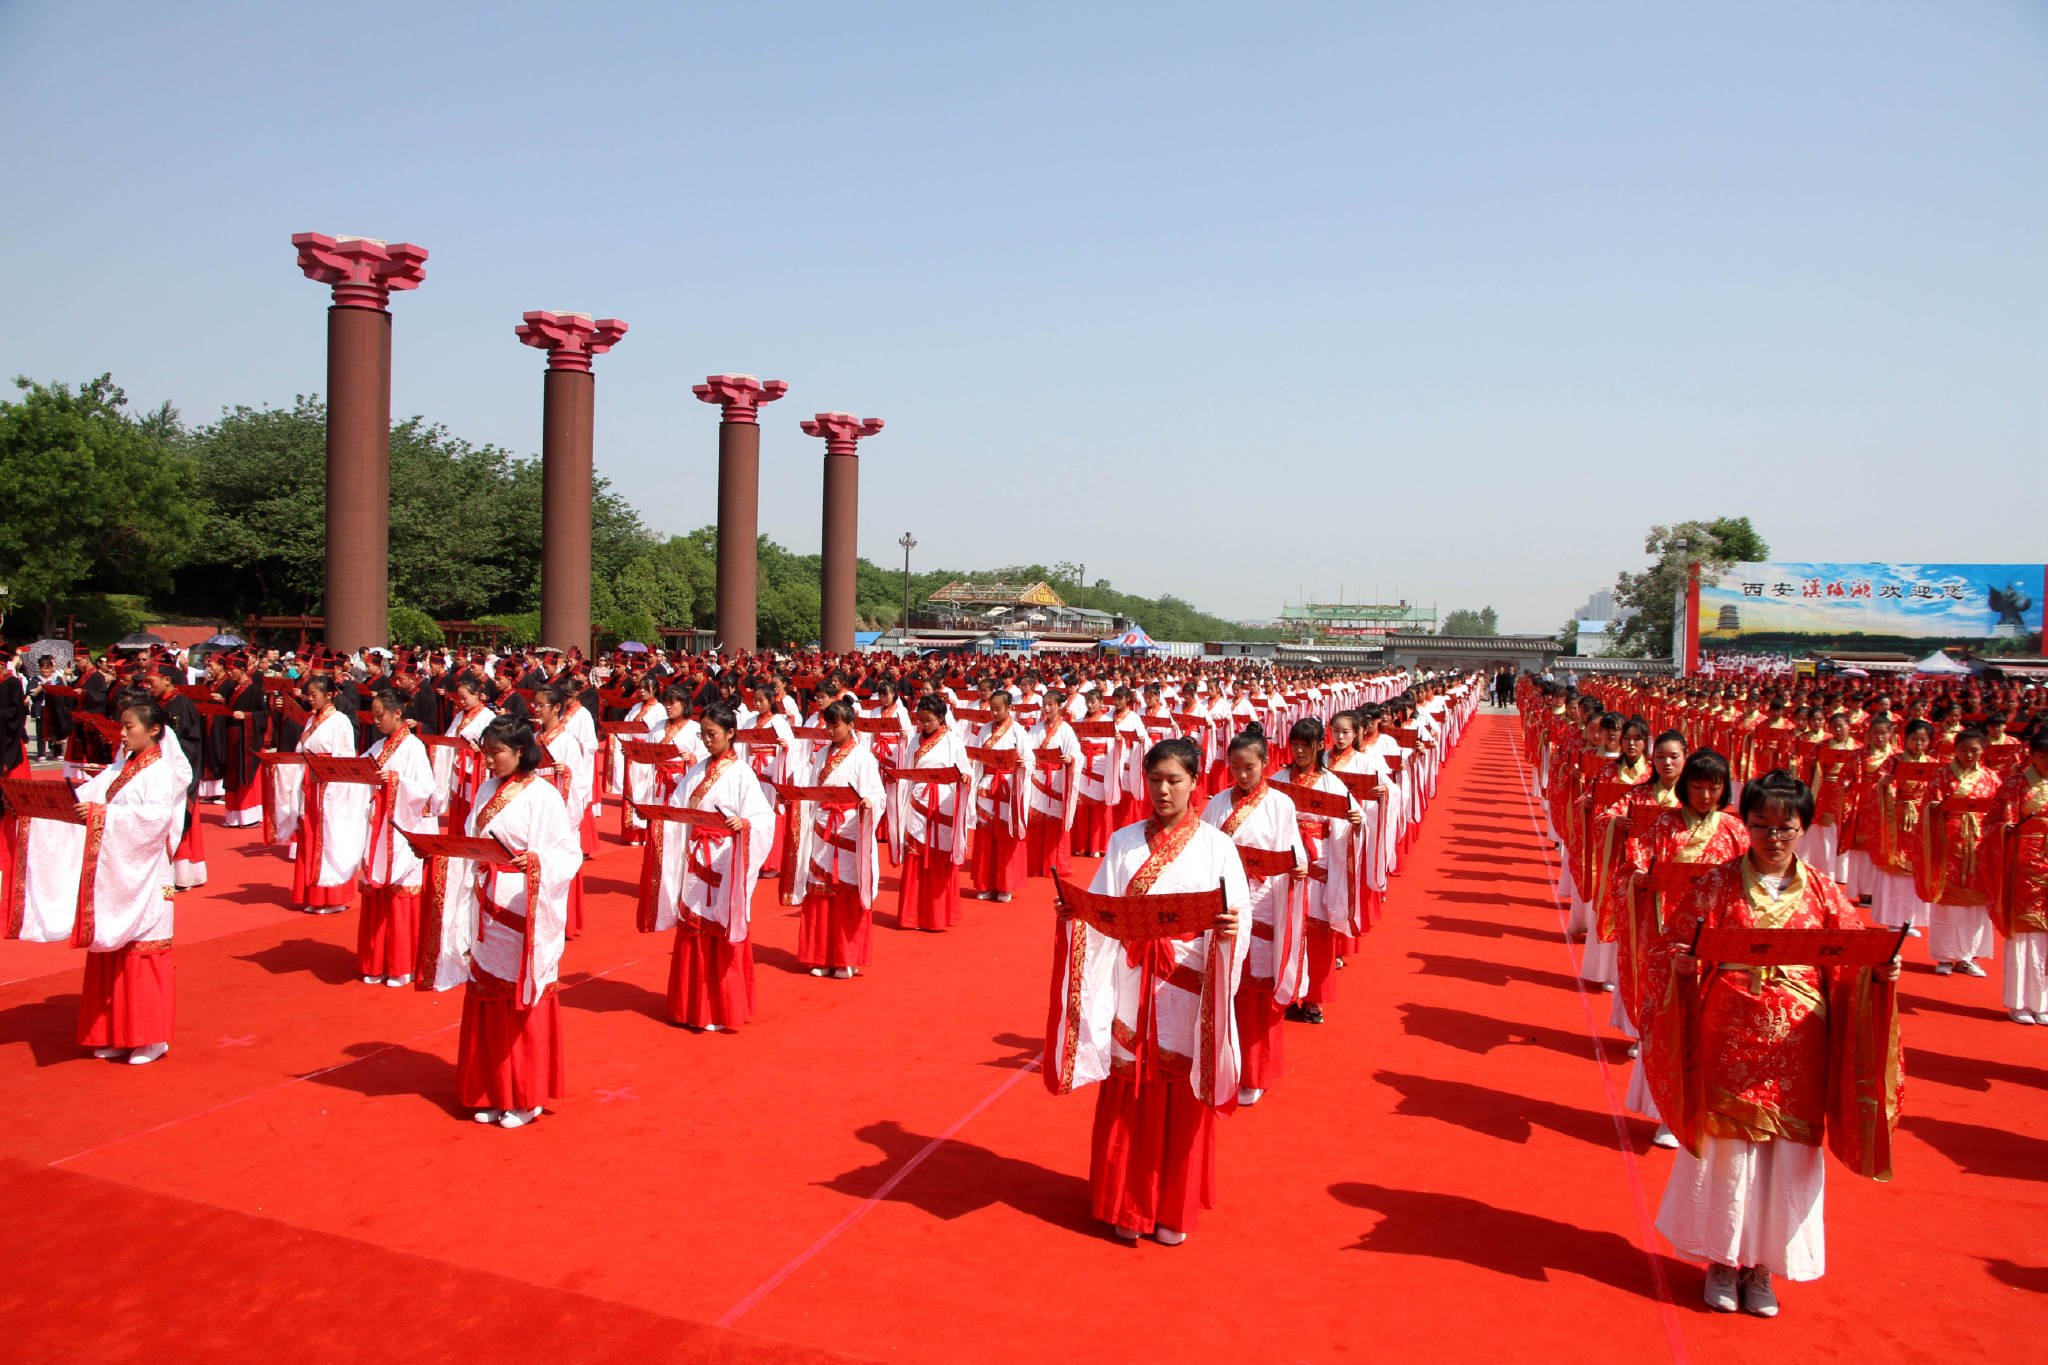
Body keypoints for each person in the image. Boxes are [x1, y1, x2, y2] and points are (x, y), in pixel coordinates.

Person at [1643, 770, 1902, 1318]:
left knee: (1787, 1154)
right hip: (1728, 1031)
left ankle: (1762, 1266)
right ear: (1746, 825)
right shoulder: (1717, 884)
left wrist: (1879, 971)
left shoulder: (1824, 890)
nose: (1773, 838)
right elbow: (1668, 946)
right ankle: (1721, 1259)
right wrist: (1683, 966)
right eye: (1761, 825)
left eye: (1786, 827)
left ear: (1804, 827)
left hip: (1800, 1042)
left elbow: (1854, 957)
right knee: (1727, 1150)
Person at [1045, 736, 1251, 1245]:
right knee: (1129, 1091)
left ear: (1195, 782)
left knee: (1180, 1094)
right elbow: (1103, 908)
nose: (1163, 790)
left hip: (1187, 988)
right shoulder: (1123, 842)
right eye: (1154, 779)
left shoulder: (1217, 846)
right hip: (1131, 982)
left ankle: (1171, 1211)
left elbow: (1237, 915)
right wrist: (1077, 913)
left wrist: (1229, 931)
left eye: (1174, 780)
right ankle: (1126, 1205)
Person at [7, 698, 188, 1063]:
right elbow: (88, 796)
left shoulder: (160, 771)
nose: (122, 734)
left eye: (129, 727)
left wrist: (101, 814)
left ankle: (151, 1038)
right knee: (110, 953)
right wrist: (45, 807)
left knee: (141, 954)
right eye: (122, 726)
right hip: (116, 873)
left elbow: (155, 821)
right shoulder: (124, 766)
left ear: (154, 730)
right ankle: (116, 1032)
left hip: (144, 876)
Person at [429, 715, 581, 1128]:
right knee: (487, 995)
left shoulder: (543, 795)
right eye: (486, 752)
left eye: (496, 752)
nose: (489, 759)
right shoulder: (485, 790)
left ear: (519, 751)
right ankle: (491, 1090)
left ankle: (525, 1097)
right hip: (486, 903)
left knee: (520, 997)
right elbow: (472, 839)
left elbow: (566, 854)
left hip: (523, 904)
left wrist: (535, 862)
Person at [1616, 747, 1748, 1146]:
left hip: (1717, 941)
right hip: (1668, 935)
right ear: (1686, 787)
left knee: (1710, 1027)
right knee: (1670, 1022)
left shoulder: (1735, 830)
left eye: (1714, 788)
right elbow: (1633, 866)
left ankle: (1708, 1109)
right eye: (1698, 787)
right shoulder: (1664, 825)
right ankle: (1666, 1113)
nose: (1705, 796)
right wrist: (1639, 881)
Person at [642, 703, 774, 1031]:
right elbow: (677, 807)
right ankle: (691, 1007)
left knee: (720, 927)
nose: (706, 740)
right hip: (696, 857)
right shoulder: (696, 771)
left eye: (712, 734)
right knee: (693, 926)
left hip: (725, 856)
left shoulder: (742, 773)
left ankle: (721, 1009)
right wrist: (659, 819)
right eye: (703, 734)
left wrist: (744, 824)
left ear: (730, 733)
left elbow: (763, 817)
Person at [1202, 724, 1304, 1106]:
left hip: (1262, 903)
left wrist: (1297, 868)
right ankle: (1220, 1066)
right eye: (1235, 767)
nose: (1242, 775)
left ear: (1265, 763)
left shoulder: (1280, 804)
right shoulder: (1217, 803)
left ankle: (1255, 1072)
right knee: (1224, 988)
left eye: (1249, 767)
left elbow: (1294, 852)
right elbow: (1204, 849)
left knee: (1256, 995)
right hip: (1227, 904)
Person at [790, 699, 885, 978]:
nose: (830, 731)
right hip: (823, 827)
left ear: (851, 725)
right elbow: (811, 787)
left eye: (836, 726)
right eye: (828, 726)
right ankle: (820, 956)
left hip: (849, 828)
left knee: (846, 890)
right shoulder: (821, 755)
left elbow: (877, 794)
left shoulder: (863, 757)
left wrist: (868, 803)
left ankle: (846, 958)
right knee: (820, 890)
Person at [357, 688, 434, 986]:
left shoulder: (413, 747)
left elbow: (425, 788)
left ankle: (401, 965)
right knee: (377, 892)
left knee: (400, 894)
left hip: (402, 826)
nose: (376, 721)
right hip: (378, 827)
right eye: (374, 716)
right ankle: (375, 962)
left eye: (381, 715)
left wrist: (397, 781)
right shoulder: (378, 746)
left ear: (397, 713)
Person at [1922, 727, 2002, 977]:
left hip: (1979, 845)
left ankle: (1969, 956)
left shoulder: (1991, 778)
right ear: (1955, 750)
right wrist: (1935, 808)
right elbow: (1928, 804)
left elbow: (2001, 811)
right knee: (1948, 903)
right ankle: (1945, 956)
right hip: (1948, 843)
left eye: (1974, 751)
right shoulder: (1942, 775)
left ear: (1983, 750)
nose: (1968, 755)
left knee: (1976, 905)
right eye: (1964, 750)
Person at [890, 694, 972, 932]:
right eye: (921, 720)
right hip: (918, 800)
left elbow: (965, 771)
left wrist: (964, 779)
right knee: (915, 852)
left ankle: (936, 916)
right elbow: (907, 770)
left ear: (941, 718)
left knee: (938, 854)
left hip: (943, 801)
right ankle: (912, 915)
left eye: (929, 720)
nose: (924, 725)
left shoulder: (953, 741)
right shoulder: (914, 741)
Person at [289, 675, 369, 913]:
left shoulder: (339, 720)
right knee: (310, 835)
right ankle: (312, 895)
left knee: (329, 838)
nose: (310, 699)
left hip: (329, 786)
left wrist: (334, 787)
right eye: (309, 695)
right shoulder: (311, 719)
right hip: (311, 785)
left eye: (315, 695)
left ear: (329, 695)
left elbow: (344, 758)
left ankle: (332, 896)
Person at [1997, 730, 2048, 1023]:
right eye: (2042, 757)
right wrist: (2006, 829)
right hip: (2024, 862)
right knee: (2025, 931)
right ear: (2031, 756)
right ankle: (2019, 1003)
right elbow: (1995, 821)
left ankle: (2043, 1002)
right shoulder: (2016, 784)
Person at [968, 689, 1033, 901]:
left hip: (1008, 786)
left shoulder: (1018, 731)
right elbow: (976, 757)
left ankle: (1005, 885)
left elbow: (1030, 759)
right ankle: (985, 884)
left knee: (1006, 836)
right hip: (987, 785)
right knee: (985, 836)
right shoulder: (984, 730)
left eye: (998, 709)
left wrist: (1023, 764)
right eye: (992, 709)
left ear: (1009, 708)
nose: (994, 713)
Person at [1026, 688, 1082, 878]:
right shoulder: (1035, 729)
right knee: (1036, 820)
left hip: (1056, 778)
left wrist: (1070, 758)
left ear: (1059, 706)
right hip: (1037, 778)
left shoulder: (1066, 729)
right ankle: (1034, 865)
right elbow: (1027, 752)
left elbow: (1076, 752)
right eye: (1045, 705)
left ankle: (1054, 865)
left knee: (1054, 821)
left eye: (1051, 705)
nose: (1047, 708)